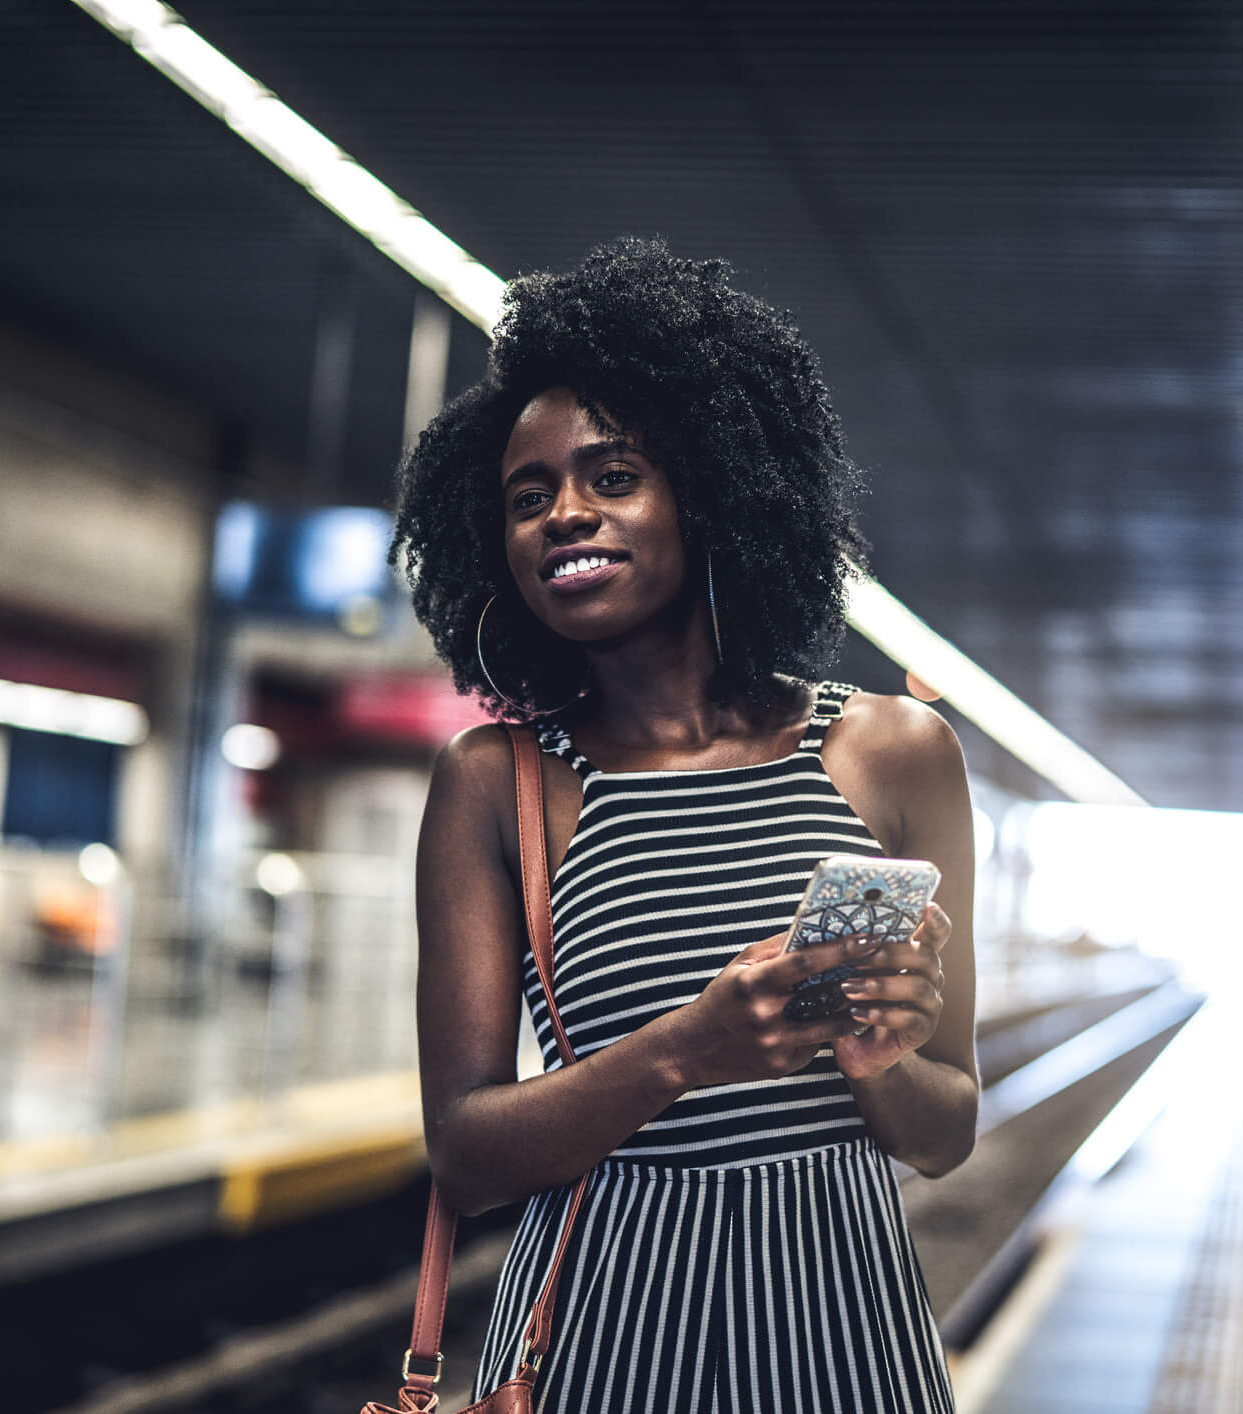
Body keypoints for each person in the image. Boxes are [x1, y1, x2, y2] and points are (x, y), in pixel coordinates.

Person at [389, 238, 979, 1412]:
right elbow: (462, 1147)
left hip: (844, 1332)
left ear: (706, 493)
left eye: (611, 477)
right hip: (604, 1336)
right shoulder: (493, 782)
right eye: (527, 496)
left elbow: (946, 1127)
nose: (563, 513)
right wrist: (681, 1053)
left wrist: (873, 1058)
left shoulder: (894, 753)